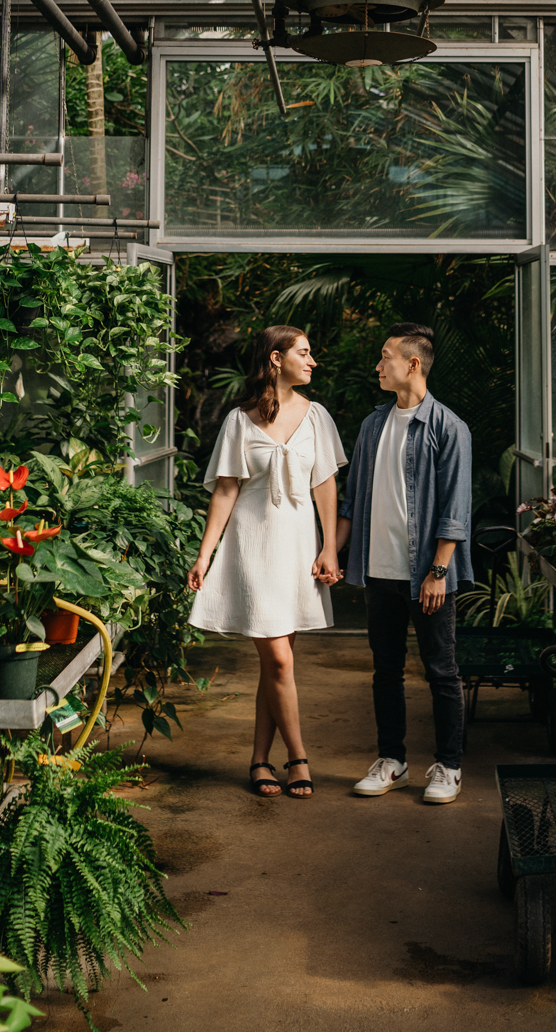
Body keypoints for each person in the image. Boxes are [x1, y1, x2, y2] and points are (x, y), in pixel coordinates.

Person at [187, 325, 345, 799]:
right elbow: (226, 490)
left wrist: (329, 546)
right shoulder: (239, 420)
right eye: (304, 352)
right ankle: (298, 758)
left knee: (276, 666)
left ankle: (259, 760)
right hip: (251, 547)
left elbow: (326, 486)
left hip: (297, 549)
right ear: (276, 359)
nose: (312, 361)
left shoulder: (317, 416)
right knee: (277, 658)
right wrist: (205, 554)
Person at [336, 322, 471, 804]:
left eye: (385, 356)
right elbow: (351, 500)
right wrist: (333, 551)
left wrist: (438, 572)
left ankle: (449, 767)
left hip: (428, 576)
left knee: (441, 671)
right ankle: (392, 760)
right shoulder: (373, 424)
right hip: (380, 572)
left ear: (413, 364)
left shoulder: (448, 427)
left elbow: (456, 510)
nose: (378, 365)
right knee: (385, 670)